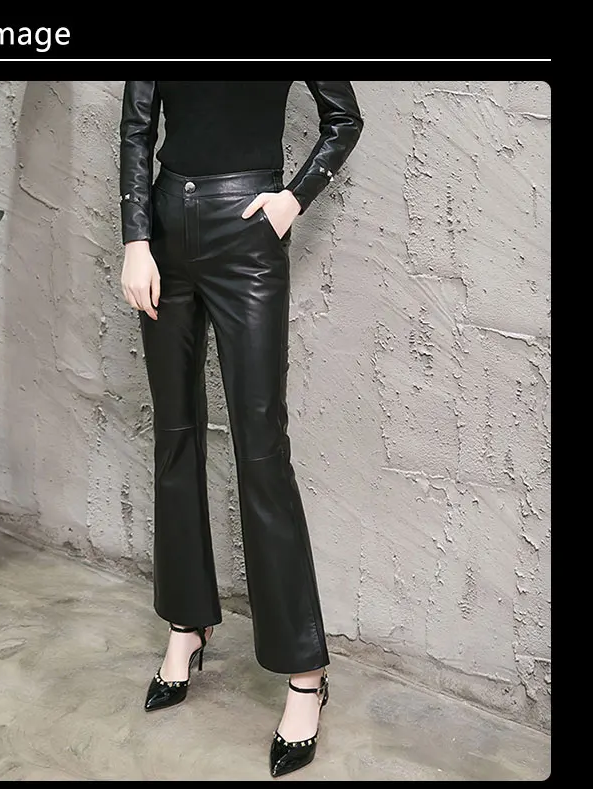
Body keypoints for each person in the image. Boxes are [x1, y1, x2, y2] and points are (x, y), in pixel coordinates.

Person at [118, 81, 363, 778]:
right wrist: (136, 239)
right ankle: (186, 624)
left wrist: (294, 198)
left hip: (248, 235)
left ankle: (306, 674)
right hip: (166, 232)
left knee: (261, 451)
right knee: (175, 436)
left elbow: (344, 119)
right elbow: (137, 130)